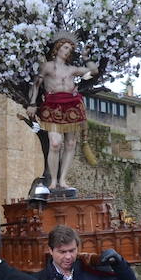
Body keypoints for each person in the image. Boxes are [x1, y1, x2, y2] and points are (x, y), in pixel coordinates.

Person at [27, 36, 98, 194]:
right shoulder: (47, 66)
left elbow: (93, 72)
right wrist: (32, 103)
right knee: (55, 143)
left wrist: (86, 57)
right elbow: (37, 84)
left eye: (70, 49)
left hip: (71, 106)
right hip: (53, 105)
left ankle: (62, 180)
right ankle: (52, 180)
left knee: (71, 143)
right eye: (65, 47)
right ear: (57, 48)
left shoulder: (72, 69)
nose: (68, 51)